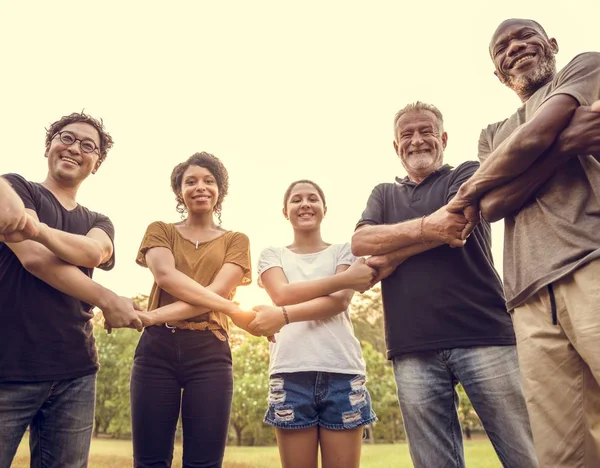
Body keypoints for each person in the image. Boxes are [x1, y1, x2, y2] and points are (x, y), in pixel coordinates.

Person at [447, 18, 600, 466]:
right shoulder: (491, 134)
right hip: (527, 293)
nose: (514, 48)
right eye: (502, 48)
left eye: (524, 37)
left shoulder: (583, 69)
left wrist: (469, 189)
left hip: (590, 262)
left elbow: (532, 137)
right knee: (562, 448)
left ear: (550, 43)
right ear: (498, 73)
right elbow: (495, 205)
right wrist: (567, 143)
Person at [351, 102, 537, 468]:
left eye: (426, 131)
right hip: (412, 345)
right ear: (396, 146)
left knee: (526, 454)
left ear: (443, 138)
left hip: (485, 334)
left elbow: (456, 224)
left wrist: (395, 253)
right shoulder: (383, 194)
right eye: (407, 134)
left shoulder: (467, 174)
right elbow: (360, 242)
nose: (417, 140)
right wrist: (425, 230)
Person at [0, 112, 142, 468]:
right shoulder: (15, 189)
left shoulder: (98, 221)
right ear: (49, 145)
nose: (75, 148)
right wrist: (108, 299)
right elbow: (34, 259)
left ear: (96, 164)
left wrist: (38, 229)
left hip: (75, 372)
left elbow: (94, 251)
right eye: (66, 138)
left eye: (88, 146)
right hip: (8, 366)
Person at [131, 152, 256, 468]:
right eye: (191, 181)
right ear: (179, 192)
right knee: (150, 461)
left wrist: (151, 316)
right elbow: (167, 277)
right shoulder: (160, 230)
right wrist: (231, 309)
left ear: (220, 191)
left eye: (209, 181)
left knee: (204, 462)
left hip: (209, 350)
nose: (200, 187)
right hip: (156, 349)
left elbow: (215, 292)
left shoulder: (235, 240)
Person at [248, 179, 377, 468]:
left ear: (324, 208)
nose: (305, 204)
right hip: (290, 374)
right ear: (285, 211)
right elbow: (281, 293)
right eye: (296, 200)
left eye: (312, 198)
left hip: (342, 372)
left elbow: (338, 302)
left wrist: (282, 316)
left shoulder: (346, 250)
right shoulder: (273, 254)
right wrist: (345, 279)